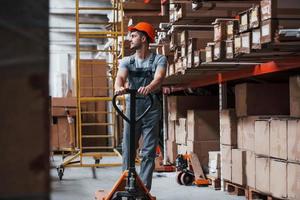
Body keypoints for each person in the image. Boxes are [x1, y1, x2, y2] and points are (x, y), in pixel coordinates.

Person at [114, 22, 167, 191]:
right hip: (132, 108)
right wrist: (118, 88)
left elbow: (159, 77)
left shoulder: (159, 59)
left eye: (134, 35)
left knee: (149, 151)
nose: (131, 38)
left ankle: (144, 189)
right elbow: (120, 78)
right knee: (128, 148)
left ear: (144, 38)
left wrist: (149, 87)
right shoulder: (127, 61)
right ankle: (127, 185)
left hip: (151, 107)